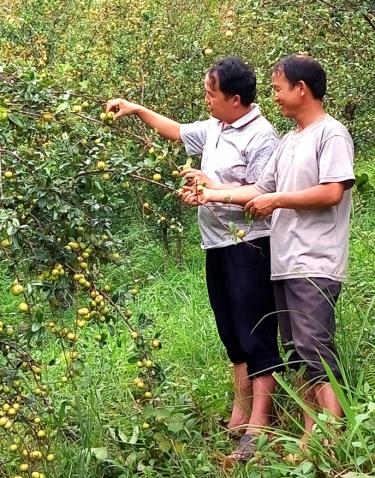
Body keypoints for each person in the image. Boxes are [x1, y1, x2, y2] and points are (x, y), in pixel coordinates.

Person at [106, 56, 283, 461]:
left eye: (211, 93)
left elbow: (263, 192)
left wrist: (213, 188)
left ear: (234, 99)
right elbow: (176, 131)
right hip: (217, 244)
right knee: (232, 333)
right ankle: (240, 414)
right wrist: (137, 109)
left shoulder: (261, 137)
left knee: (255, 334)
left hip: (250, 245)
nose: (205, 99)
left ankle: (260, 423)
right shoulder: (217, 128)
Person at [185, 54, 355, 447]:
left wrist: (277, 201)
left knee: (314, 345)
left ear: (302, 89)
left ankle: (328, 436)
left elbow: (331, 191)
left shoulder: (331, 134)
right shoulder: (292, 140)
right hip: (285, 258)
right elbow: (262, 188)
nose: (273, 96)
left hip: (316, 258)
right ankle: (313, 430)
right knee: (297, 348)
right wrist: (211, 192)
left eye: (279, 88)